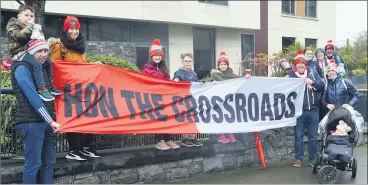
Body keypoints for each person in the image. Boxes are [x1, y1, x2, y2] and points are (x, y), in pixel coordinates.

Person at [49, 16, 99, 160]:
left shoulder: (81, 47)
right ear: (65, 30)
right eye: (71, 28)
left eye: (76, 28)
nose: (74, 31)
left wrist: (93, 66)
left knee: (90, 117)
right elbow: (55, 67)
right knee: (73, 118)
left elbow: (82, 66)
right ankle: (74, 149)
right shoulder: (58, 46)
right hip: (68, 90)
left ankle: (85, 146)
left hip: (82, 88)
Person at [11, 39, 61, 184]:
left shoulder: (42, 68)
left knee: (49, 162)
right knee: (33, 165)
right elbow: (33, 98)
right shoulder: (22, 68)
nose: (44, 54)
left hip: (45, 122)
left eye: (46, 50)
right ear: (31, 52)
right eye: (40, 51)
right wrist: (51, 120)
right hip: (31, 122)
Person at [6, 5, 61, 101]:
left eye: (31, 16)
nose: (29, 18)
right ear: (19, 16)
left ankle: (51, 86)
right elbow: (19, 37)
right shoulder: (13, 25)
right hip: (19, 52)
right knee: (37, 64)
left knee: (48, 62)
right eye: (26, 15)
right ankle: (41, 89)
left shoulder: (33, 27)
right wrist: (30, 27)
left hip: (30, 50)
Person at [288, 51, 325, 168]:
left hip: (314, 110)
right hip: (299, 112)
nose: (300, 65)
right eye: (298, 64)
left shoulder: (313, 73)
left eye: (302, 63)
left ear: (305, 64)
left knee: (313, 137)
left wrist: (312, 82)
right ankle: (298, 159)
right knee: (298, 137)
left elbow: (322, 85)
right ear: (295, 65)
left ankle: (312, 159)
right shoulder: (291, 76)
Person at [142, 38, 180, 150]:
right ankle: (159, 141)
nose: (157, 57)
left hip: (165, 98)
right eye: (155, 55)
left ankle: (168, 140)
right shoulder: (146, 70)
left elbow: (168, 83)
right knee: (158, 120)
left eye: (159, 55)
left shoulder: (164, 69)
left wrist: (174, 82)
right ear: (151, 56)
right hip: (153, 98)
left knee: (167, 119)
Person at [173, 53, 203, 147]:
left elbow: (195, 83)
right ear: (182, 62)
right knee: (185, 118)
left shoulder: (194, 73)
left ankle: (193, 137)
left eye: (189, 61)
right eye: (186, 61)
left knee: (193, 118)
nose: (187, 62)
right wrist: (175, 80)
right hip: (182, 100)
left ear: (192, 62)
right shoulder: (179, 72)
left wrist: (200, 82)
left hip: (192, 98)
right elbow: (175, 81)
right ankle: (185, 139)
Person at [210, 52, 239, 143]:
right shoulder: (214, 75)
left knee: (230, 117)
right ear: (218, 65)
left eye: (224, 64)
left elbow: (239, 80)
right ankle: (221, 135)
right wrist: (212, 83)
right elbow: (207, 83)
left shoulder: (232, 75)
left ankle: (230, 134)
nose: (223, 66)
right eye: (221, 64)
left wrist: (246, 77)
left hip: (229, 101)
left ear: (227, 65)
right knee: (221, 118)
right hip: (219, 101)